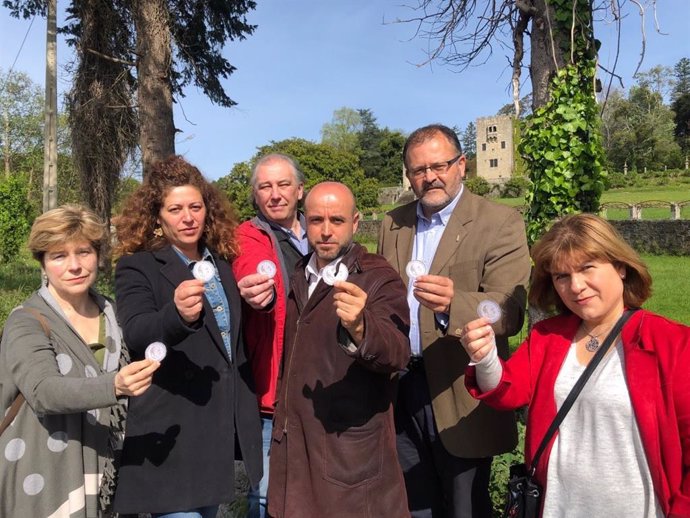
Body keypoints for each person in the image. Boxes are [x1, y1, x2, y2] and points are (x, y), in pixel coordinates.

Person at [460, 213, 690, 518]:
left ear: (620, 267)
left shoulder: (671, 343)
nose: (576, 286)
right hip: (559, 507)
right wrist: (485, 356)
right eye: (562, 276)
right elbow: (507, 392)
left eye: (586, 268)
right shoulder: (549, 337)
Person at [377, 124, 531, 518]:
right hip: (402, 389)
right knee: (412, 506)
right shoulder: (392, 224)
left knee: (465, 508)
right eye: (418, 170)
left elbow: (507, 311)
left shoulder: (499, 222)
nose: (429, 176)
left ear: (462, 165)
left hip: (459, 391)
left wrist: (455, 305)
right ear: (408, 176)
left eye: (439, 165)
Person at [112, 156, 262, 518]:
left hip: (216, 426)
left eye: (195, 207)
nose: (188, 217)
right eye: (175, 209)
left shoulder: (222, 264)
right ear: (158, 217)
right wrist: (176, 315)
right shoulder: (138, 265)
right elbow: (136, 333)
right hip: (174, 429)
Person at [0, 205, 159, 518]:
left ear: (98, 255)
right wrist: (114, 385)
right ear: (43, 263)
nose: (75, 265)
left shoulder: (114, 314)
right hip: (44, 479)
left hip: (111, 477)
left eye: (83, 252)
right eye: (59, 256)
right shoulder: (27, 322)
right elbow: (44, 391)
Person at [267, 182, 411, 518]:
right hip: (296, 448)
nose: (327, 231)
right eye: (317, 220)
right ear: (304, 221)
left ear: (356, 222)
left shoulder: (377, 277)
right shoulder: (300, 274)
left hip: (348, 452)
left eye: (337, 220)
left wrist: (362, 329)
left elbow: (397, 351)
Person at [231, 153, 309, 518]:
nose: (275, 194)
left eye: (283, 185)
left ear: (299, 190)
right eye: (265, 186)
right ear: (255, 195)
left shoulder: (319, 230)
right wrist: (256, 292)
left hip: (318, 386)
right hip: (271, 392)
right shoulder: (249, 235)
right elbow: (250, 267)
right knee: (264, 494)